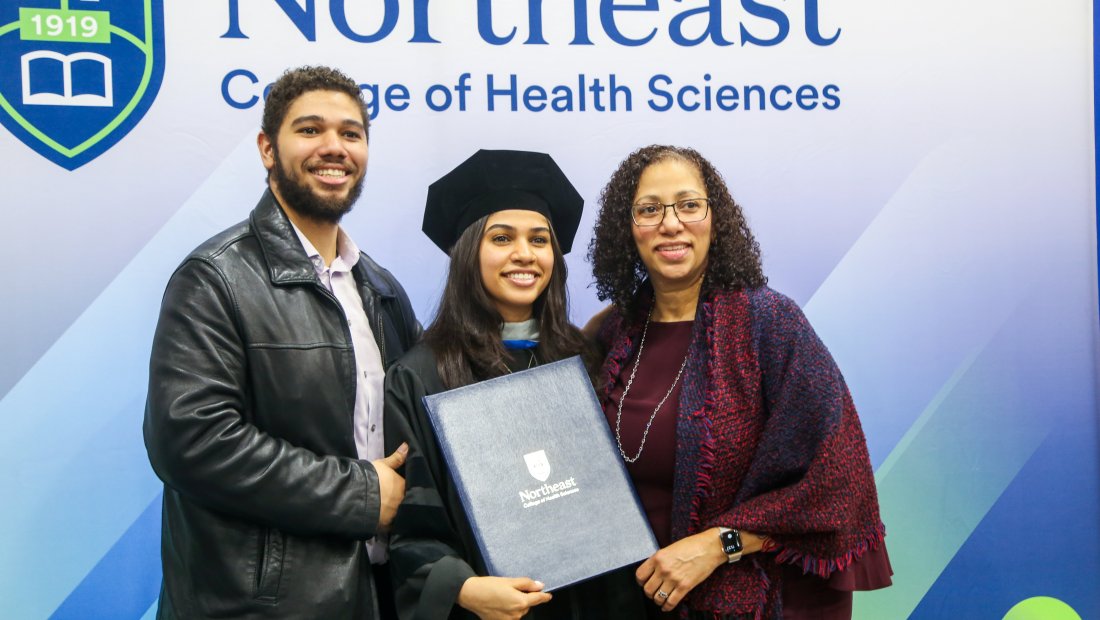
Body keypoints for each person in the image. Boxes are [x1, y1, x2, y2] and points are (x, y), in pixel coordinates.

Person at [143, 66, 420, 619]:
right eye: (310, 130)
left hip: (383, 593)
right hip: (260, 607)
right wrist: (362, 495)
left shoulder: (382, 289)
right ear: (268, 149)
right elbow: (192, 442)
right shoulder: (215, 278)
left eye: (351, 133)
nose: (334, 148)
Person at [586, 145, 892, 619]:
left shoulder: (768, 323)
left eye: (689, 205)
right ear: (627, 230)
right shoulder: (613, 333)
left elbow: (840, 480)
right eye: (649, 210)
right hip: (634, 602)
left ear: (716, 218)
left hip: (760, 602)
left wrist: (718, 544)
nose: (671, 224)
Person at [383, 149, 643, 620]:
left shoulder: (583, 359)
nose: (524, 254)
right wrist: (462, 587)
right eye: (501, 238)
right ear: (468, 254)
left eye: (539, 239)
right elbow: (411, 529)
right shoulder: (419, 376)